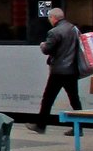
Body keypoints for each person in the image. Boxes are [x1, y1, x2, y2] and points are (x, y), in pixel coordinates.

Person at [27, 7, 81, 135]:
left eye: (50, 18)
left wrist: (43, 45)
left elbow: (48, 50)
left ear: (53, 18)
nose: (50, 20)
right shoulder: (74, 29)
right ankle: (79, 128)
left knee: (48, 99)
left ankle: (41, 126)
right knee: (74, 99)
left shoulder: (54, 32)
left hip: (58, 71)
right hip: (72, 70)